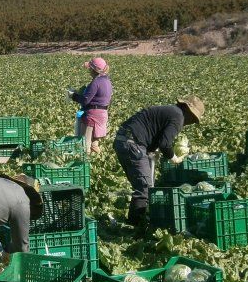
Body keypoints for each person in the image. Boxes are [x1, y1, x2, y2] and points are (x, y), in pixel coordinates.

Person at [113, 95, 204, 225]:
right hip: (132, 144)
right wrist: (174, 158)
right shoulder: (178, 117)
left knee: (144, 185)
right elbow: (165, 144)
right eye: (194, 119)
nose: (191, 123)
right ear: (189, 112)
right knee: (144, 188)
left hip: (123, 140)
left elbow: (152, 130)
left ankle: (139, 219)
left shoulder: (172, 111)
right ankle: (134, 226)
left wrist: (151, 150)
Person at [67, 57, 113, 155]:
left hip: (92, 117)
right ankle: (98, 163)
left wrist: (73, 95)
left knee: (85, 146)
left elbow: (85, 100)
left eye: (90, 68)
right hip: (103, 115)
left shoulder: (96, 82)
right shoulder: (108, 82)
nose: (89, 71)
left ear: (94, 70)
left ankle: (86, 166)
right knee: (94, 145)